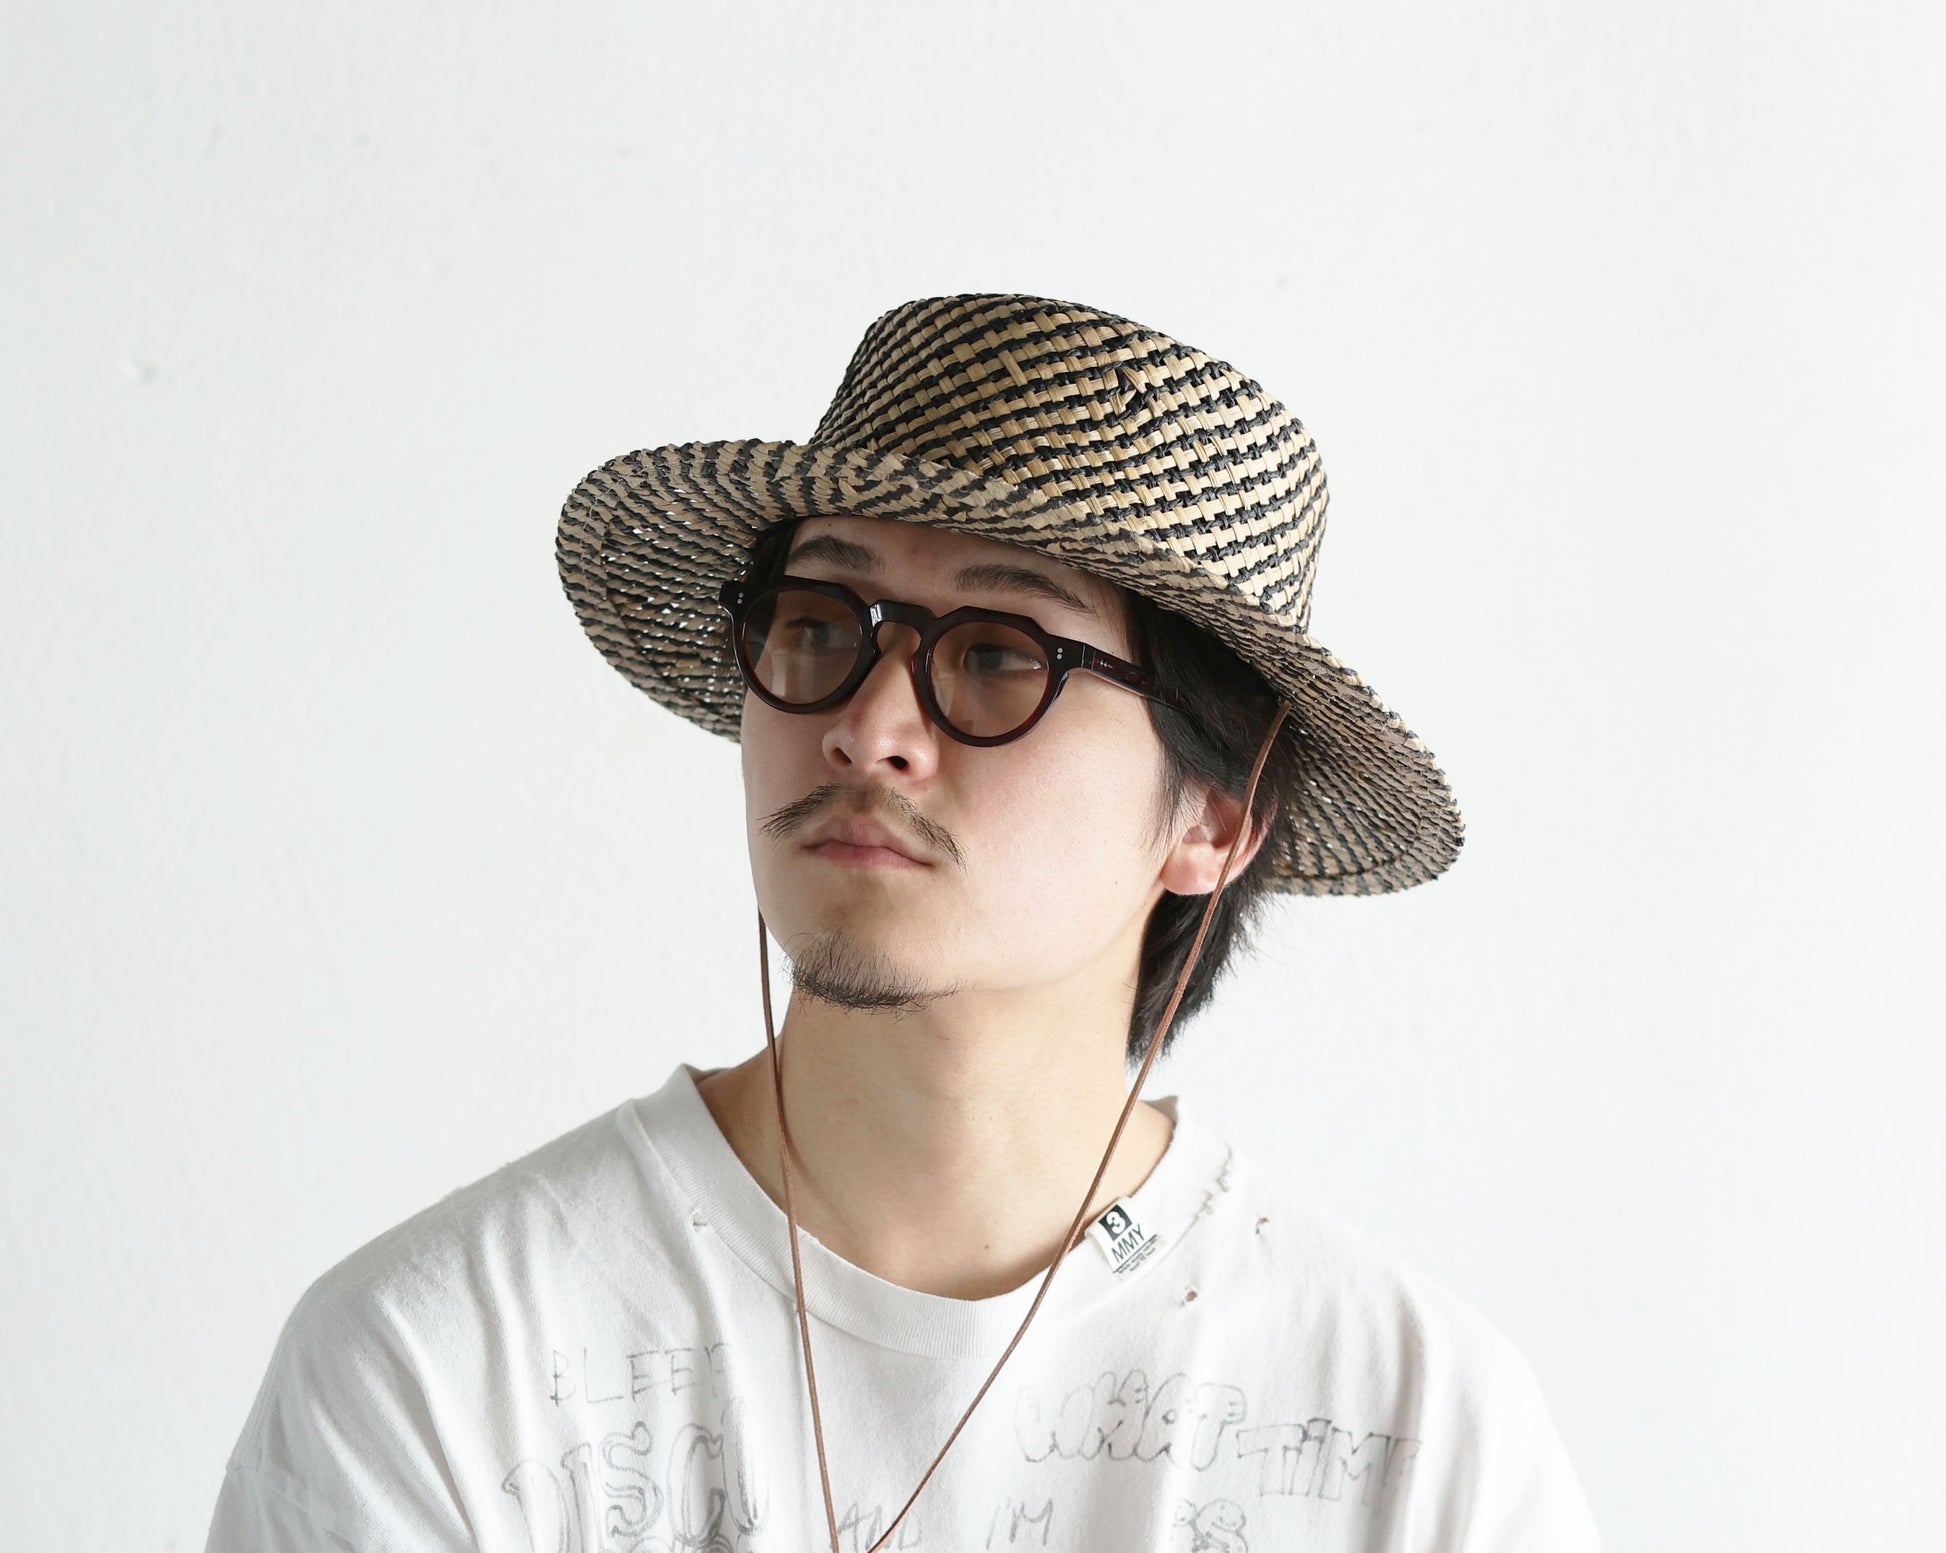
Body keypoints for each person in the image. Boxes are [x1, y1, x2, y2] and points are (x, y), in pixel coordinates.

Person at [204, 294, 1601, 1551]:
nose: (868, 727)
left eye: (998, 655)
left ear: (1217, 816)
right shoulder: (446, 1372)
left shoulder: (1416, 1444)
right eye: (819, 623)